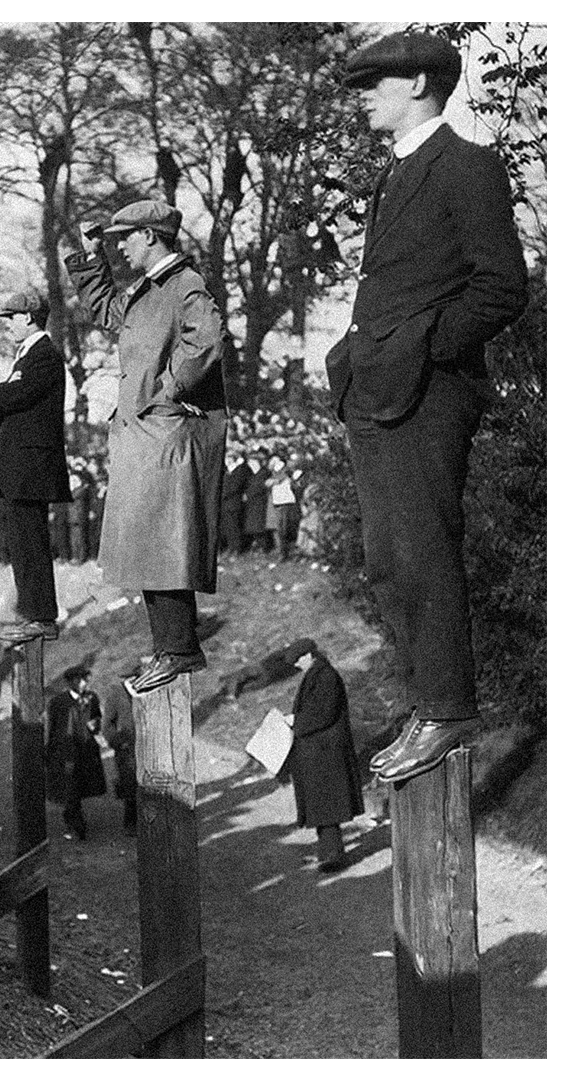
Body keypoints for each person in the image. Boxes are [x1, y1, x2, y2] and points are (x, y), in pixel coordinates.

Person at [331, 32, 528, 784]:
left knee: (423, 551)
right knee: (388, 561)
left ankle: (447, 710)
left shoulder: (467, 166)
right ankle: (427, 704)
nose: (364, 96)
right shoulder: (399, 171)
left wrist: (422, 346)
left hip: (426, 392)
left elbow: (501, 287)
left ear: (417, 81)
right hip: (378, 393)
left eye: (374, 83)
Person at [66, 200, 229, 692]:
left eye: (126, 237)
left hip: (164, 431)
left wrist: (167, 393)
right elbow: (105, 309)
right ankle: (168, 647)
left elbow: (208, 342)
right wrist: (90, 258)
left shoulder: (184, 284)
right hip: (147, 432)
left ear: (152, 237)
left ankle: (179, 649)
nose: (120, 246)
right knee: (149, 547)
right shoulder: (147, 289)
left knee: (165, 544)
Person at [0, 292, 69, 644]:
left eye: (12, 317)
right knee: (23, 543)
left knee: (31, 543)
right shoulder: (29, 356)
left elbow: (10, 398)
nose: (8, 324)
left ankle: (41, 614)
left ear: (30, 317)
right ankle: (32, 612)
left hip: (31, 466)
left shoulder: (43, 356)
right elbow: (8, 396)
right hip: (22, 466)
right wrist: (2, 392)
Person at [285, 645, 362, 873]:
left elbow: (323, 713)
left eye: (298, 660)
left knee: (327, 805)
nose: (297, 665)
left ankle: (332, 855)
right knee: (324, 805)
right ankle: (328, 852)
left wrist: (295, 721)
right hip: (321, 752)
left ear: (309, 655)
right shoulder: (318, 675)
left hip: (326, 753)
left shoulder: (326, 676)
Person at [46, 664, 106, 840]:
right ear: (71, 683)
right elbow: (54, 729)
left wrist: (97, 734)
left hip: (86, 751)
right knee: (70, 788)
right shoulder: (58, 702)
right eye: (79, 681)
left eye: (85, 680)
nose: (83, 684)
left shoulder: (92, 698)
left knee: (80, 786)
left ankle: (72, 815)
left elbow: (96, 720)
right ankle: (77, 824)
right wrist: (52, 753)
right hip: (67, 753)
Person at [100, 661, 141, 835]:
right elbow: (107, 725)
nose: (134, 679)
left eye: (135, 676)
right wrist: (117, 742)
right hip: (126, 749)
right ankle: (130, 824)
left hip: (144, 745)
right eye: (130, 677)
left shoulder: (144, 690)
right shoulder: (115, 694)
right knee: (130, 786)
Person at [219, 449, 249, 555]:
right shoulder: (225, 471)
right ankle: (230, 547)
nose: (227, 460)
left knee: (234, 527)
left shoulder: (239, 471)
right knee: (227, 527)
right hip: (225, 504)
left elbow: (235, 487)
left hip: (234, 503)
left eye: (229, 458)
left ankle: (236, 548)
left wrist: (223, 494)